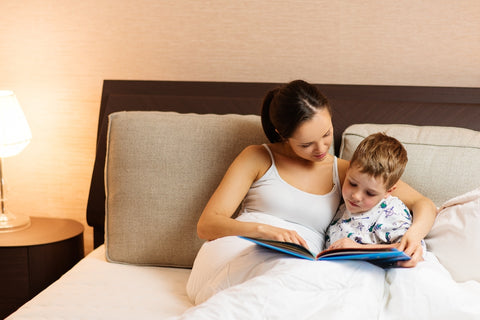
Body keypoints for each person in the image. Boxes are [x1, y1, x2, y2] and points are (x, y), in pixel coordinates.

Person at [325, 132, 426, 255]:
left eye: (370, 193)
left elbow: (410, 248)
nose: (356, 196)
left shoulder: (391, 211)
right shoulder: (342, 208)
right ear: (348, 169)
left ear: (388, 191)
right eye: (352, 183)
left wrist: (357, 248)